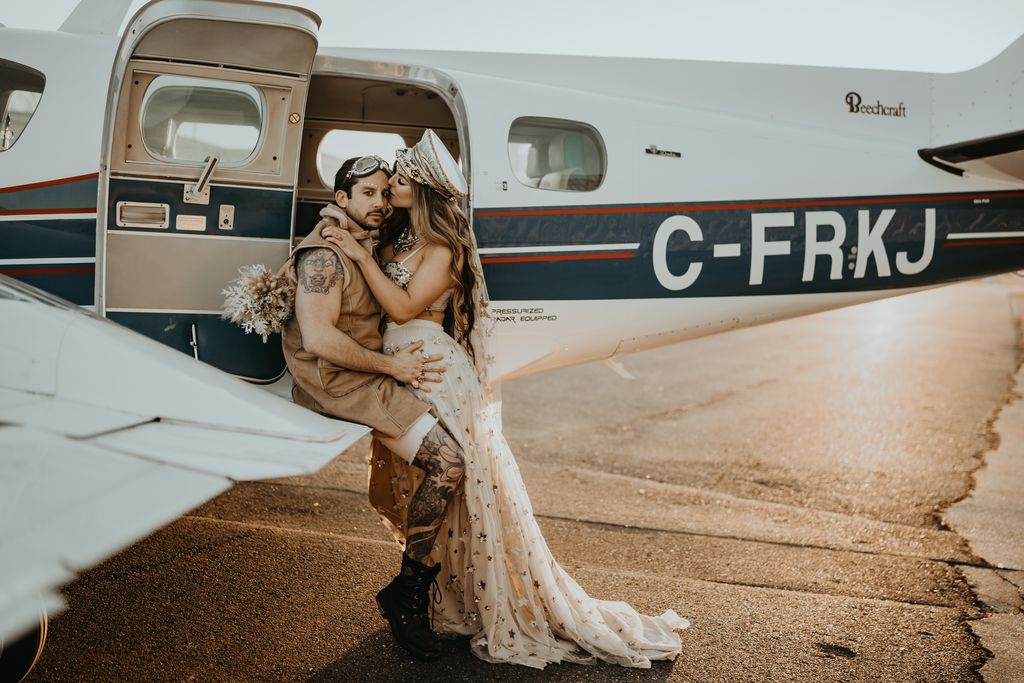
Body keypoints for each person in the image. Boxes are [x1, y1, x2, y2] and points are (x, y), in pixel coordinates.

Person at [322, 130, 688, 669]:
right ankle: (426, 595)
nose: (388, 189)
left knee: (459, 477)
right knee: (434, 479)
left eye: (398, 181)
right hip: (402, 369)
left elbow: (401, 308)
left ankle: (410, 593)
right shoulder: (399, 237)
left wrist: (357, 252)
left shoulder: (444, 250)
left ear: (420, 190)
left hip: (434, 368)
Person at [282, 155, 471, 662]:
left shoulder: (364, 241)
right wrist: (395, 369)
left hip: (368, 373)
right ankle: (406, 595)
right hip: (345, 382)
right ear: (341, 199)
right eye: (368, 193)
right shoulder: (324, 254)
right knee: (449, 463)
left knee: (453, 461)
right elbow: (320, 339)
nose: (381, 203)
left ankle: (411, 586)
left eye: (386, 193)